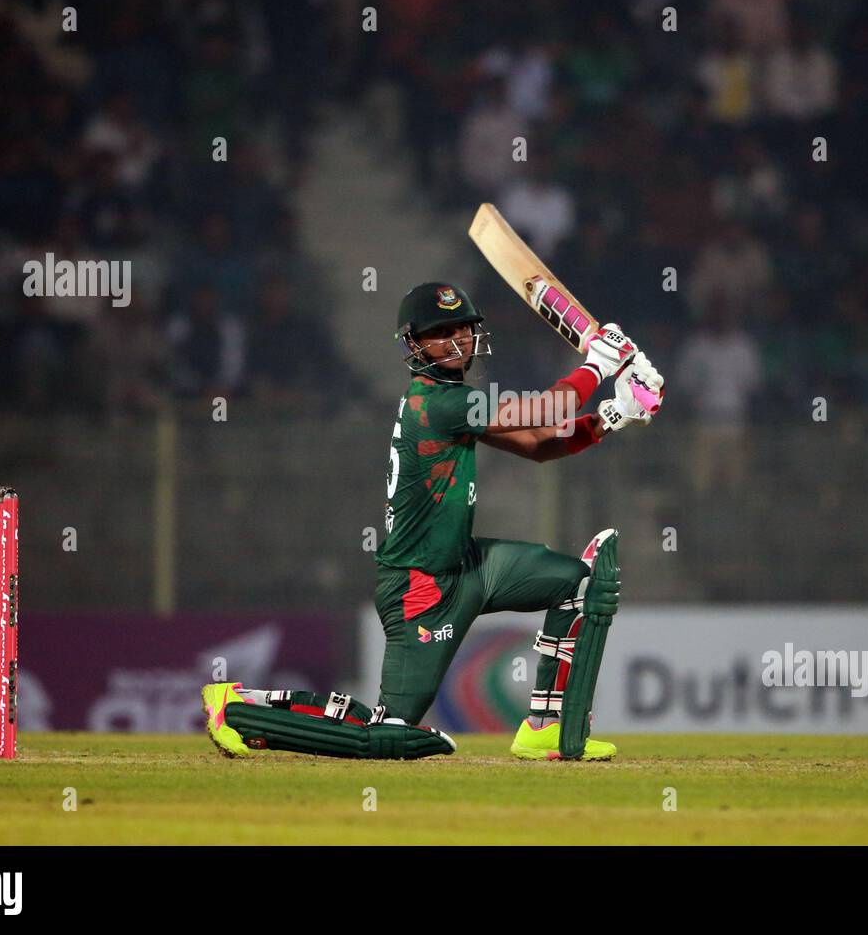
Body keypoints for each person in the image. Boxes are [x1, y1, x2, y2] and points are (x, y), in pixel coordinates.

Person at [200, 282, 664, 761]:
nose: (456, 339)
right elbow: (547, 408)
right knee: (389, 730)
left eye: (461, 328)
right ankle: (238, 706)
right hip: (418, 589)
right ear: (414, 344)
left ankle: (544, 729)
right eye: (439, 332)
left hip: (469, 565)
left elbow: (540, 445)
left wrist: (613, 414)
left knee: (576, 583)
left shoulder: (455, 403)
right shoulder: (435, 404)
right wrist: (599, 365)